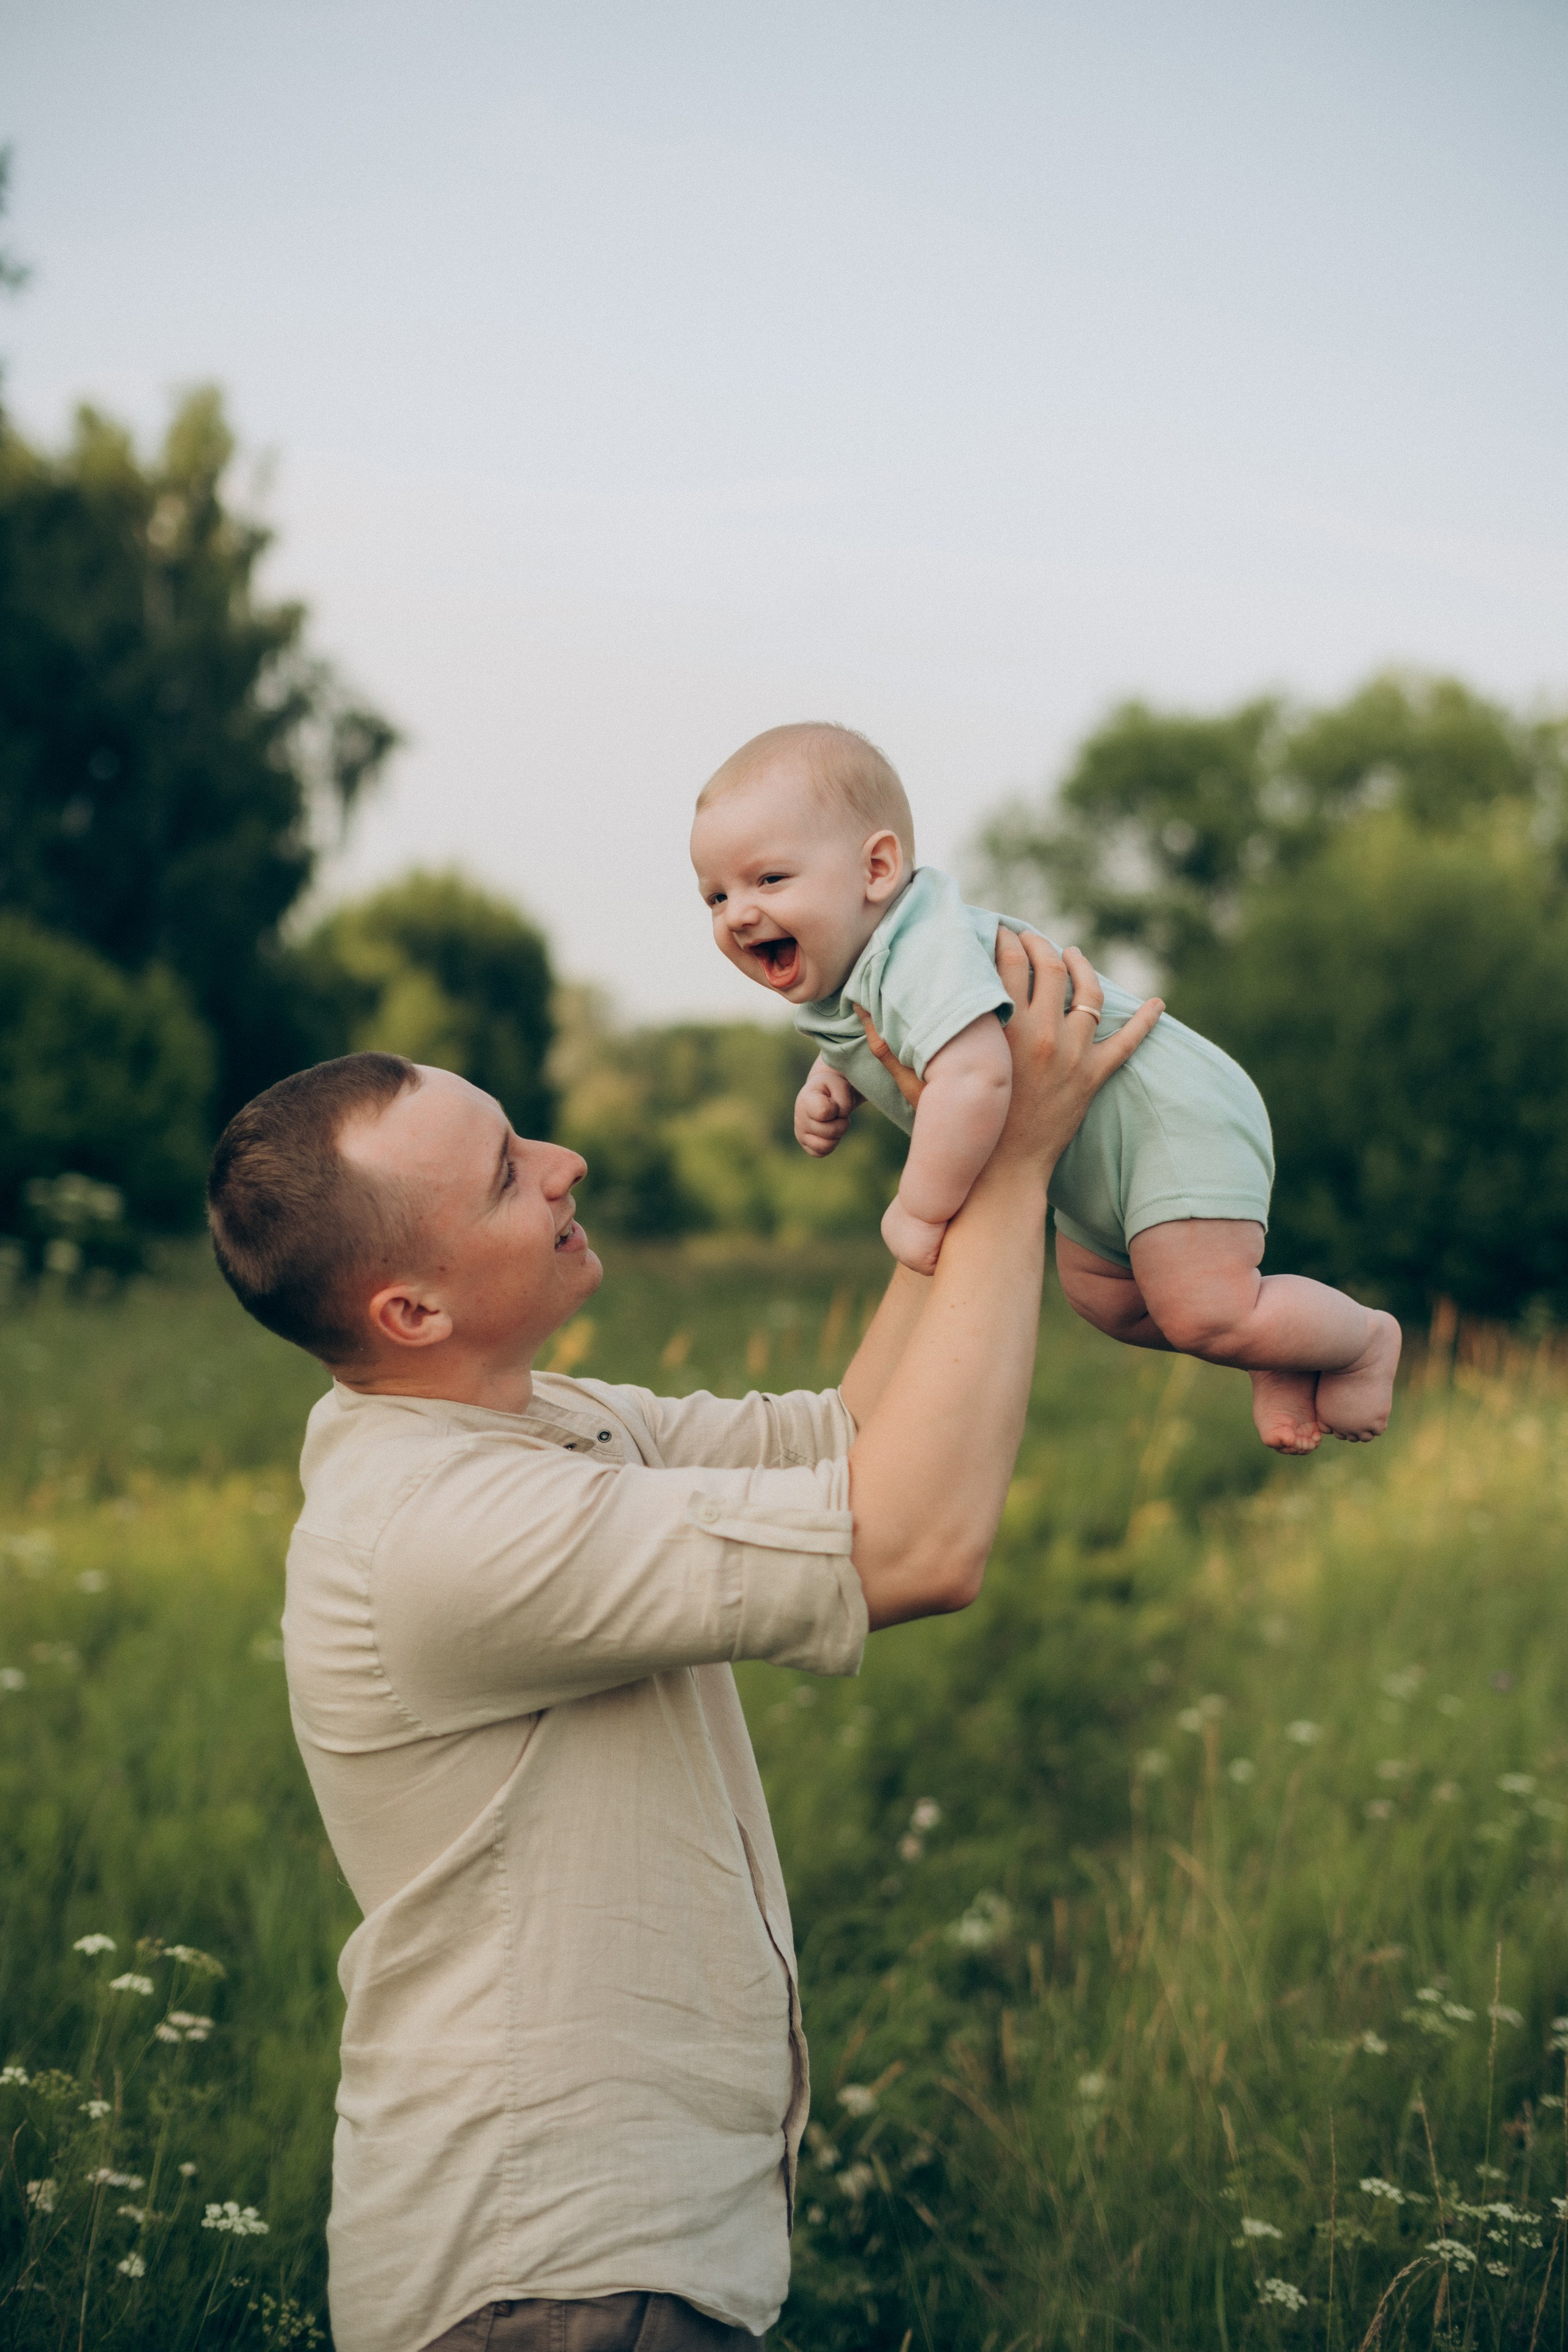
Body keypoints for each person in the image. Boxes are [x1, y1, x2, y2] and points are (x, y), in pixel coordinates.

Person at [203, 930, 1158, 2352]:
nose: (564, 1161)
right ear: (411, 1309)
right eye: (506, 1173)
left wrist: (954, 1150)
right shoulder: (437, 1526)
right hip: (547, 2282)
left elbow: (847, 1442)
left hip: (610, 2262)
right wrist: (1017, 1170)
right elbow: (915, 1542)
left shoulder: (540, 1420)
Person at [690, 720, 1402, 1455]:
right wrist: (834, 1078)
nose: (738, 912)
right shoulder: (859, 975)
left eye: (768, 880)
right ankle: (1275, 1346)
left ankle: (1362, 1341)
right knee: (1108, 1302)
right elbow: (885, 1035)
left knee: (1203, 1310)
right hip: (1088, 1155)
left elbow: (974, 1074)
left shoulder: (921, 950)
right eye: (714, 896)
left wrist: (918, 1208)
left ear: (876, 869)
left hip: (1163, 1115)